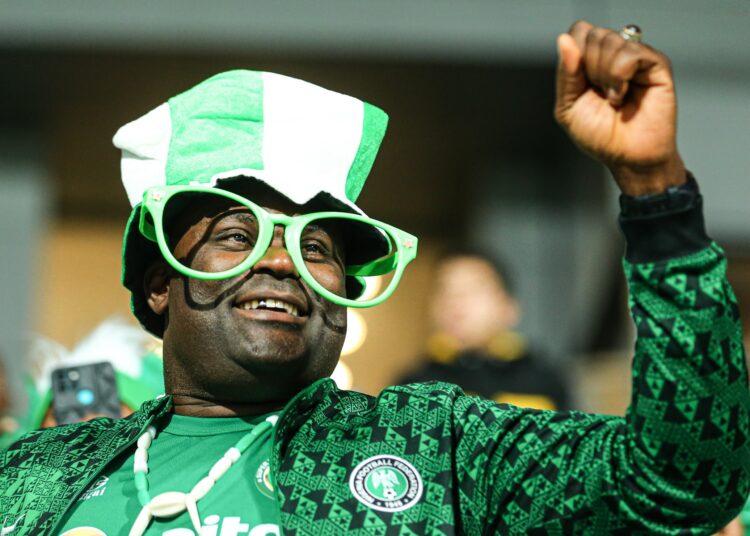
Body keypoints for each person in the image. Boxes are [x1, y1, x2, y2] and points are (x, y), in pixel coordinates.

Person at [1, 20, 749, 535]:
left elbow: (681, 482)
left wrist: (657, 194)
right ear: (159, 283)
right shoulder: (32, 472)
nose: (284, 260)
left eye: (321, 247)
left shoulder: (437, 445)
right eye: (237, 232)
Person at [399, 250, 570, 410]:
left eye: (473, 288)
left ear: (509, 308)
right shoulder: (413, 386)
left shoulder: (543, 380)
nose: (454, 300)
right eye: (444, 289)